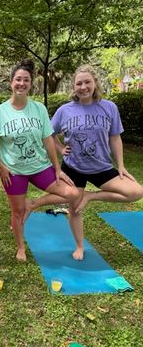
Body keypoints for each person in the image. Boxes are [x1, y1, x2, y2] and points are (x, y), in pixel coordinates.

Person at [0, 59, 80, 262]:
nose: (21, 83)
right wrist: (0, 166)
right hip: (14, 171)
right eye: (18, 79)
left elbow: (48, 139)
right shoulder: (0, 113)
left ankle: (33, 204)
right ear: (11, 82)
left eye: (26, 80)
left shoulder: (39, 109)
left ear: (31, 84)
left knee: (71, 193)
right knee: (17, 211)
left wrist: (57, 168)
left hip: (40, 166)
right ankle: (20, 247)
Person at [51, 64, 143, 260]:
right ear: (73, 87)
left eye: (87, 82)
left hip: (102, 166)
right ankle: (79, 246)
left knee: (136, 192)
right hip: (73, 167)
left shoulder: (109, 107)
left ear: (95, 83)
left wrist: (121, 165)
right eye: (79, 83)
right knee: (74, 209)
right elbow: (49, 135)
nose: (83, 87)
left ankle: (91, 197)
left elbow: (115, 137)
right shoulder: (64, 110)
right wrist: (60, 148)